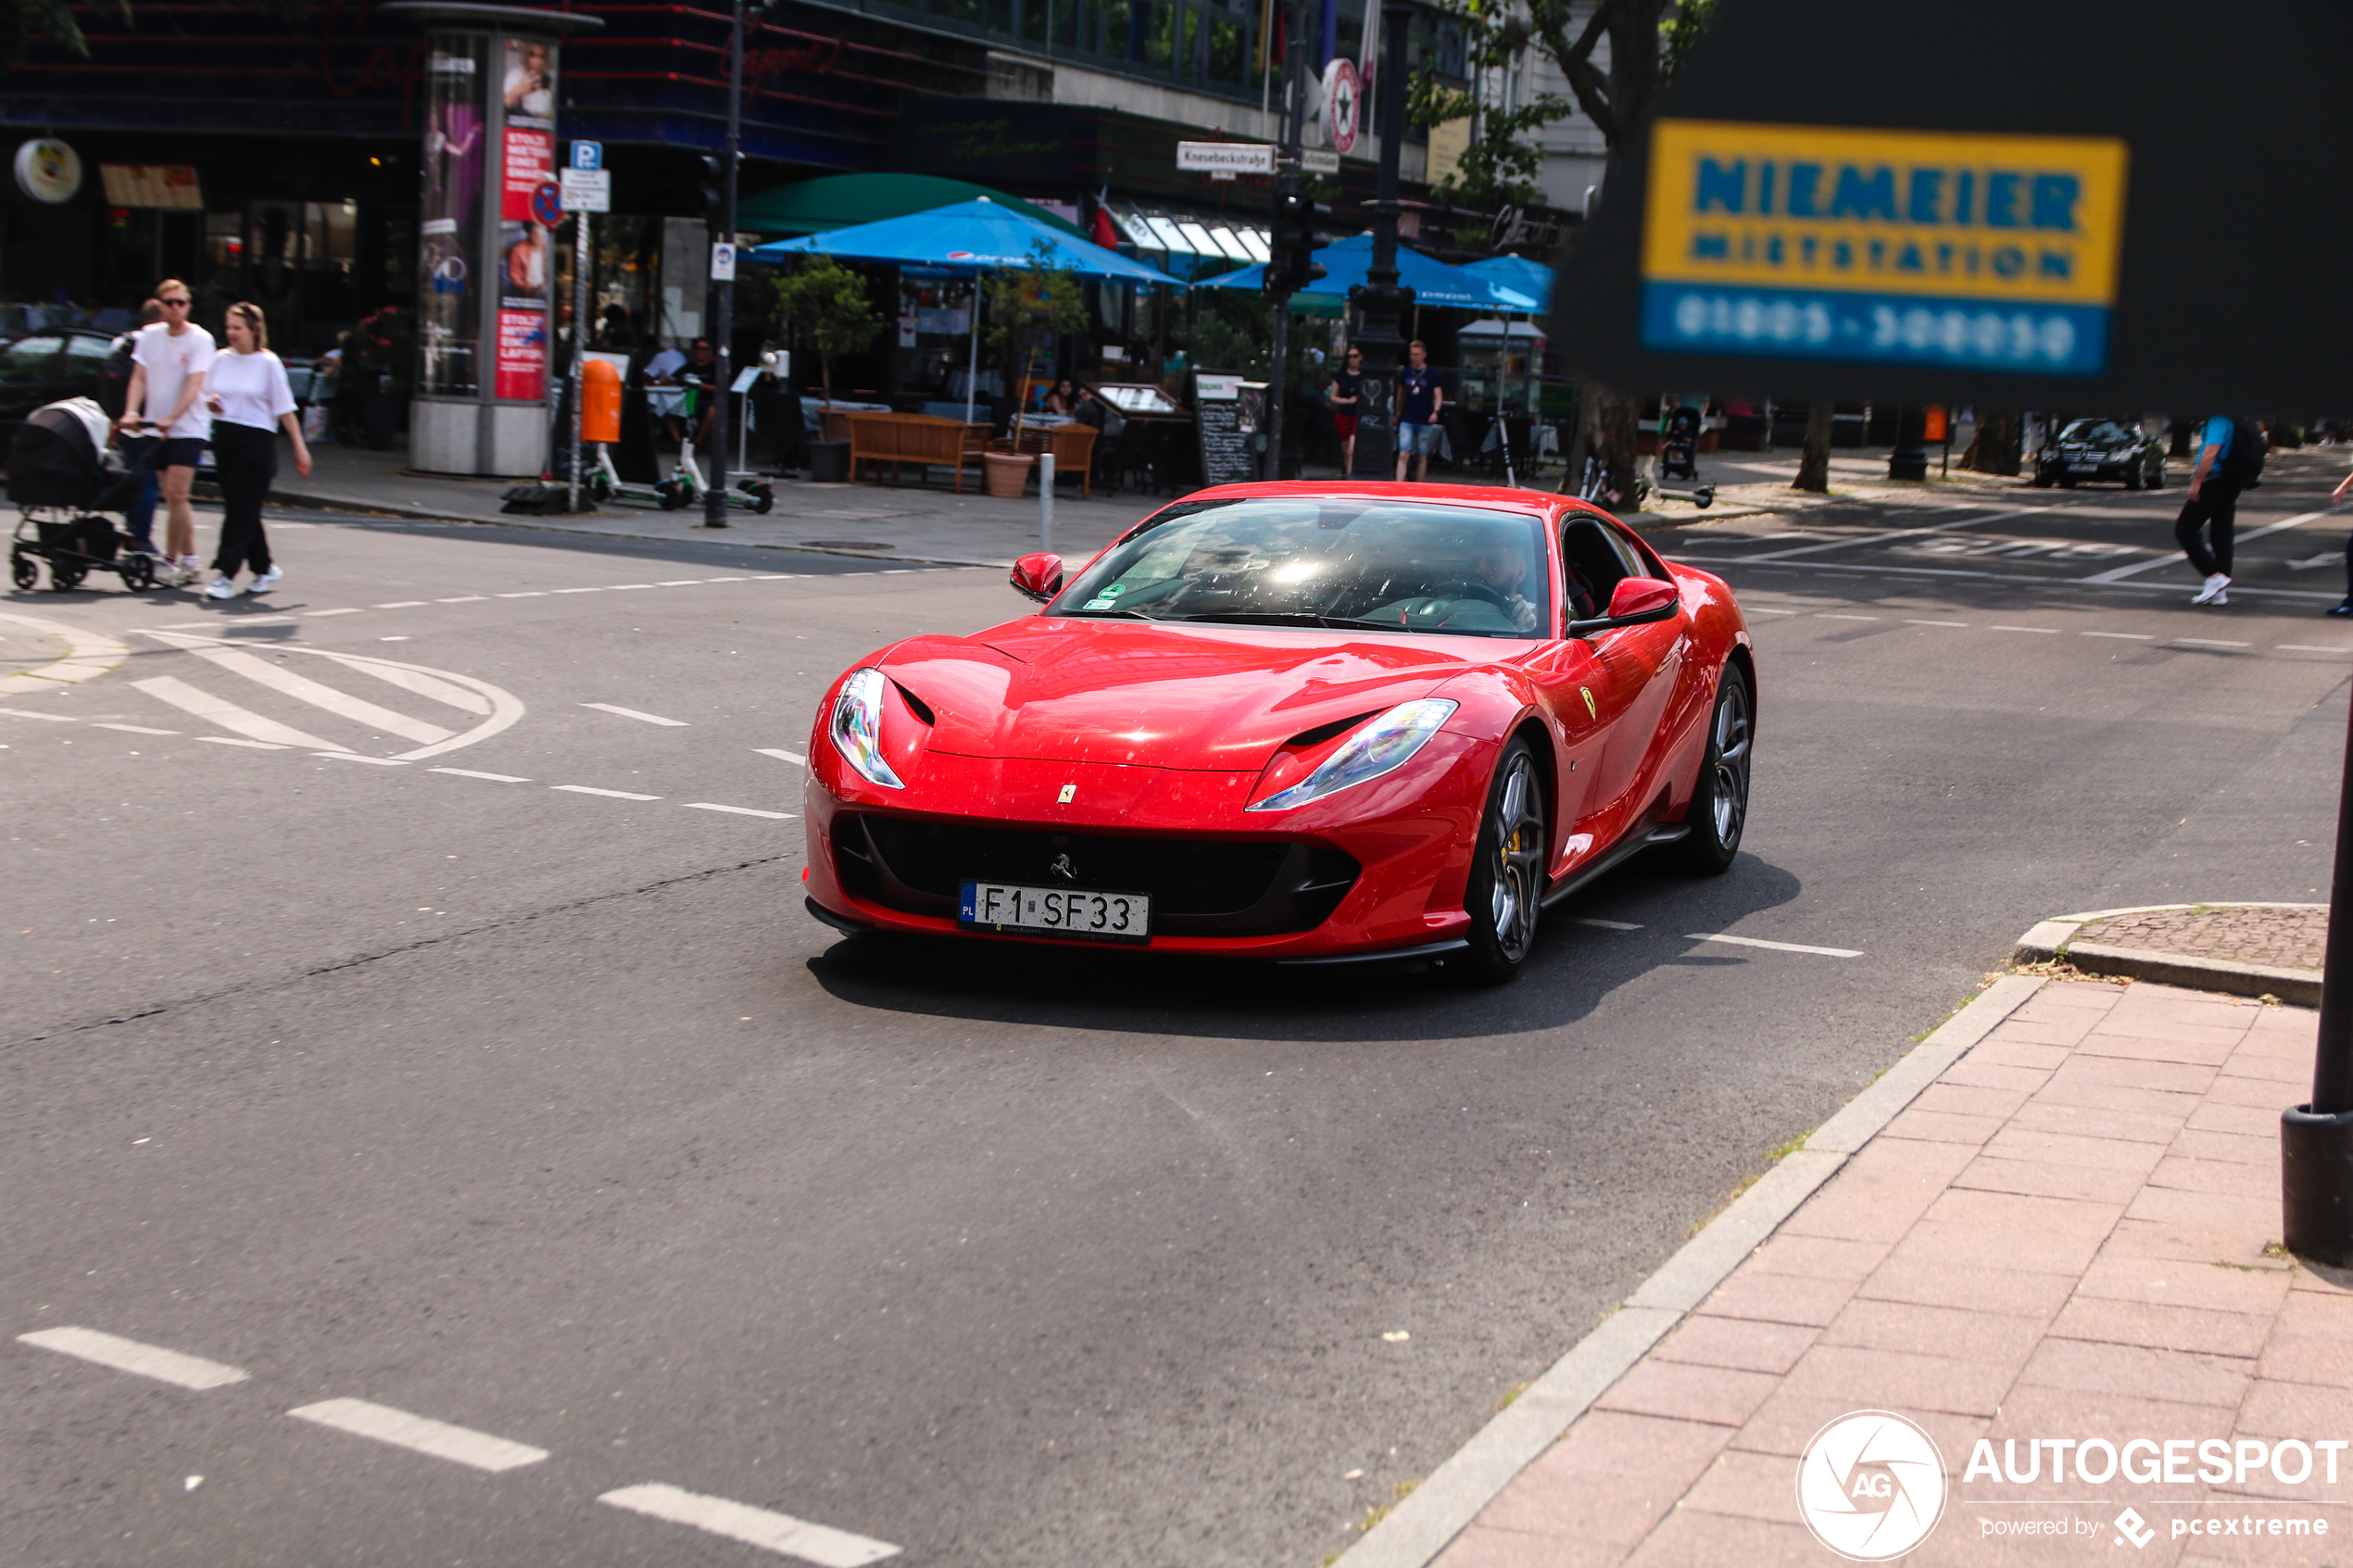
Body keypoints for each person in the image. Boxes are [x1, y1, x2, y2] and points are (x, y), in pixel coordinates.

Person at [198, 301, 310, 599]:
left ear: (254, 330)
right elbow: (205, 393)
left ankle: (225, 573)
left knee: (240, 508)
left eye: (237, 328)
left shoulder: (268, 363)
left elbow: (285, 409)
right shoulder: (220, 358)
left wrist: (300, 449)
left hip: (256, 441)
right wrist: (210, 402)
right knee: (241, 507)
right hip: (225, 436)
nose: (231, 333)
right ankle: (264, 567)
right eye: (228, 327)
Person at [116, 278, 214, 585]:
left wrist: (173, 417)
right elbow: (139, 378)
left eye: (181, 302)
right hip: (155, 426)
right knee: (172, 498)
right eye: (169, 302)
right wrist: (132, 410)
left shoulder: (200, 339)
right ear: (159, 305)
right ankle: (192, 561)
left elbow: (195, 383)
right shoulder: (149, 336)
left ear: (188, 305)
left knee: (177, 493)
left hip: (189, 426)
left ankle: (171, 562)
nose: (176, 308)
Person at [99, 298, 166, 558]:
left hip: (123, 419)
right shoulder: (157, 343)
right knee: (147, 480)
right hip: (148, 421)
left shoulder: (122, 342)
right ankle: (140, 537)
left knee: (126, 473)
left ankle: (131, 523)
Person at [2175, 414, 2262, 607]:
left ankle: (2213, 576)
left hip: (2214, 480)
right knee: (2222, 533)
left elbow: (2211, 452)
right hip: (2232, 480)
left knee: (2185, 528)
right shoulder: (2237, 419)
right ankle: (2219, 592)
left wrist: (2197, 482)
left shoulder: (2218, 421)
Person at [1395, 339, 1444, 482]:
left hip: (1424, 417)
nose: (1414, 357)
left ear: (1424, 355)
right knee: (1403, 452)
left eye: (1417, 354)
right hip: (1408, 417)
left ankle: (1419, 484)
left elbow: (1438, 394)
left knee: (1422, 454)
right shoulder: (1406, 372)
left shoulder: (1432, 373)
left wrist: (1436, 411)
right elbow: (1400, 394)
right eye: (1412, 354)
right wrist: (1398, 413)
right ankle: (1399, 483)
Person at [1328, 345, 1364, 475]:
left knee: (1351, 449)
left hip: (1357, 416)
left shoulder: (1364, 375)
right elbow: (1333, 396)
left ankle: (1351, 477)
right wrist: (1346, 401)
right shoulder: (1341, 375)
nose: (1352, 359)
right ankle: (1348, 472)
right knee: (1345, 450)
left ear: (1360, 357)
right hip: (1343, 415)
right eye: (1349, 356)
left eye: (1355, 356)